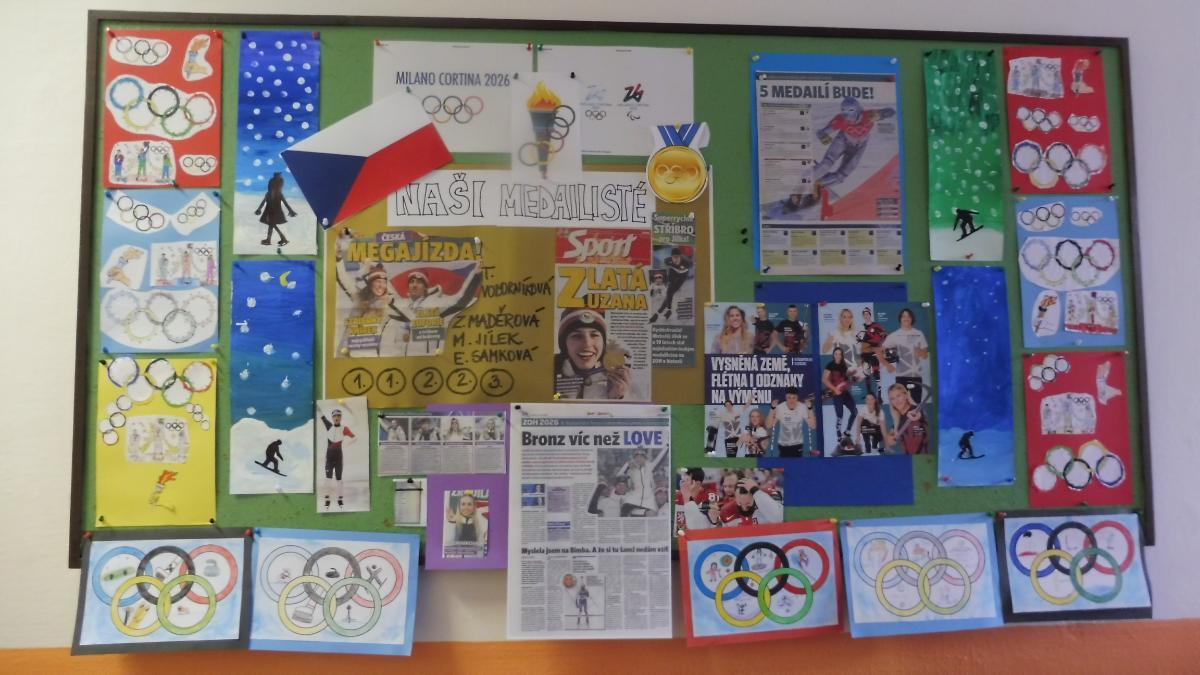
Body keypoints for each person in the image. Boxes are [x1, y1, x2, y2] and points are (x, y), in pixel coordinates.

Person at [384, 267, 484, 356]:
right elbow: (388, 299)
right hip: (407, 363)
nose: (414, 285)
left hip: (432, 361)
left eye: (419, 282)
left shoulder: (435, 303)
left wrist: (476, 275)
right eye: (412, 282)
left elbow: (461, 300)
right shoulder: (404, 306)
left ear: (425, 287)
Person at [810, 97, 897, 191]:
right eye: (844, 112)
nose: (847, 117)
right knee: (826, 164)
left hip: (859, 147)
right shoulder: (840, 119)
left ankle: (820, 184)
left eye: (851, 113)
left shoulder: (868, 115)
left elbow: (891, 111)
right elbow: (822, 132)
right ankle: (808, 179)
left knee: (842, 176)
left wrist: (881, 114)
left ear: (858, 111)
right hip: (843, 141)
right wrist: (823, 136)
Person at [554, 308, 633, 400]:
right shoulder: (549, 373)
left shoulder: (619, 378)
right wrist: (561, 395)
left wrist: (617, 397)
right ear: (564, 344)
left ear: (603, 343)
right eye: (577, 336)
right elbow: (549, 399)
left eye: (594, 335)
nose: (587, 344)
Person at [882, 308, 929, 404]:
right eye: (903, 316)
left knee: (916, 406)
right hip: (901, 377)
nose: (906, 318)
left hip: (916, 377)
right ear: (900, 319)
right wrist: (887, 365)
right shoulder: (894, 335)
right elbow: (880, 351)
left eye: (908, 316)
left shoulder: (919, 334)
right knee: (902, 406)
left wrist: (920, 352)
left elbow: (925, 355)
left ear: (912, 318)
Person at [320, 408, 356, 509]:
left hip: (339, 459)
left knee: (339, 479)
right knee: (328, 479)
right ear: (332, 418)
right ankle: (327, 500)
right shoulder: (329, 426)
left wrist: (348, 444)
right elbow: (321, 414)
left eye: (338, 416)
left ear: (341, 417)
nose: (336, 418)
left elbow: (354, 437)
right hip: (329, 459)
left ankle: (340, 500)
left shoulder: (344, 428)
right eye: (335, 416)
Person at [767, 387, 817, 457]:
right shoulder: (780, 408)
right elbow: (769, 425)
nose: (791, 400)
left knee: (796, 463)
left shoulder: (802, 407)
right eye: (789, 397)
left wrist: (810, 408)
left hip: (797, 445)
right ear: (786, 397)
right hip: (783, 445)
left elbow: (813, 426)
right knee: (783, 463)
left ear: (797, 398)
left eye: (794, 398)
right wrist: (772, 409)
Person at [717, 475, 784, 527]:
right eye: (739, 503)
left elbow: (778, 518)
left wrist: (755, 491)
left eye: (748, 504)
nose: (743, 508)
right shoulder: (726, 510)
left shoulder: (767, 496)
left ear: (755, 498)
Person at [648, 247, 692, 324]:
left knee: (670, 293)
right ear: (671, 257)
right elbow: (662, 269)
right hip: (673, 273)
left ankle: (660, 312)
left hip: (682, 276)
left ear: (680, 257)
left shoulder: (687, 262)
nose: (675, 259)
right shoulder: (667, 260)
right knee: (669, 292)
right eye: (674, 257)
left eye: (677, 257)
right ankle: (667, 311)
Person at [823, 347, 858, 441]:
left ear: (842, 355)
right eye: (836, 354)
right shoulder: (830, 365)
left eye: (840, 354)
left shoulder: (844, 365)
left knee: (854, 411)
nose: (838, 356)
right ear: (833, 355)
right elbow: (824, 380)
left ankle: (847, 431)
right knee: (840, 416)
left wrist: (851, 379)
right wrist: (835, 389)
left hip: (845, 393)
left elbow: (845, 380)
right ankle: (839, 435)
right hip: (836, 394)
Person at [884, 383, 929, 455]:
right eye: (892, 398)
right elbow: (890, 437)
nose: (896, 400)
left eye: (898, 396)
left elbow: (918, 415)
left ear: (905, 395)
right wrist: (889, 438)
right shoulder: (898, 419)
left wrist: (918, 415)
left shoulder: (915, 411)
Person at [255, 172, 297, 246]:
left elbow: (285, 203)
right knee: (272, 225)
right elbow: (264, 201)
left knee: (272, 225)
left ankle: (274, 239)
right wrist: (259, 209)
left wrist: (291, 211)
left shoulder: (275, 194)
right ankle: (278, 239)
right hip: (270, 212)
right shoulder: (273, 194)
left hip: (274, 212)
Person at [618, 448, 663, 517]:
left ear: (645, 458)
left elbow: (660, 458)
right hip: (635, 497)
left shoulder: (650, 467)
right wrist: (627, 466)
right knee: (624, 508)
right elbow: (619, 475)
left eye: (641, 457)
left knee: (651, 514)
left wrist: (666, 446)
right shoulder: (631, 470)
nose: (639, 459)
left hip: (648, 498)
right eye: (636, 457)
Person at [858, 307, 887, 397]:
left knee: (876, 373)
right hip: (865, 353)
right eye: (864, 314)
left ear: (870, 315)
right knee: (867, 373)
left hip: (874, 352)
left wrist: (876, 342)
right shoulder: (862, 327)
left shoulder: (876, 325)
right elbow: (859, 338)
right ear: (863, 316)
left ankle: (880, 394)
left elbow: (884, 335)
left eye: (867, 314)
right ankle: (869, 394)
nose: (866, 315)